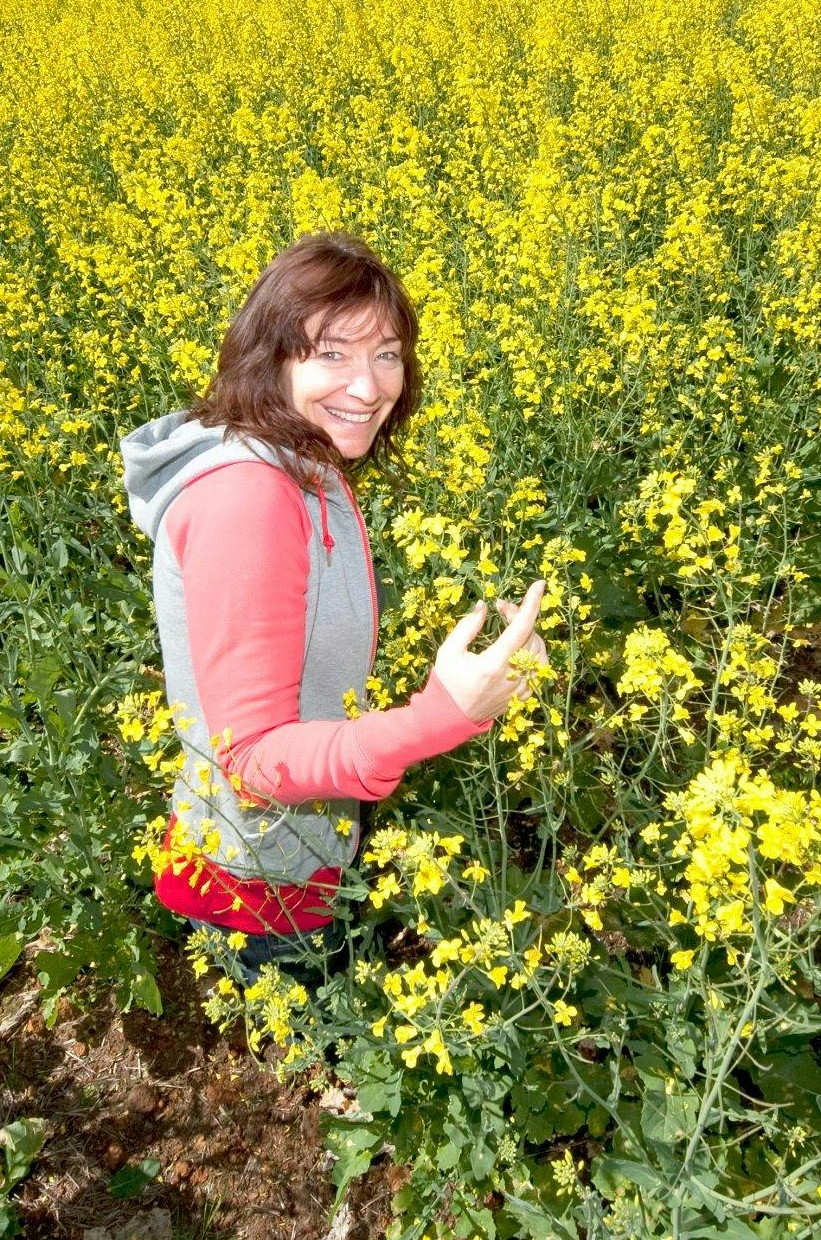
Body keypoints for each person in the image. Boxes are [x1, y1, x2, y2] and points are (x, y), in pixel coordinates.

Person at [120, 234, 545, 986]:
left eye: (387, 353)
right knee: (321, 1056)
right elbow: (253, 757)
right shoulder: (247, 497)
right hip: (260, 880)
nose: (371, 384)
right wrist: (444, 712)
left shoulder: (299, 455)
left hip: (309, 838)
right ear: (272, 358)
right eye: (333, 354)